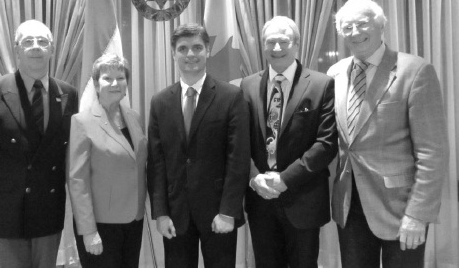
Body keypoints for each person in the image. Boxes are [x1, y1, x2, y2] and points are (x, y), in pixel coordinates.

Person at [328, 0, 447, 268]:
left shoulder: (415, 71)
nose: (355, 32)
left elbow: (433, 152)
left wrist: (418, 213)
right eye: (347, 27)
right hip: (350, 205)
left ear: (381, 26)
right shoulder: (335, 74)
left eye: (362, 24)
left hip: (400, 207)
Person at [0, 20, 78, 268]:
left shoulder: (68, 93)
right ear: (17, 50)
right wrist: (1, 187)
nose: (36, 47)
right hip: (3, 213)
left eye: (42, 41)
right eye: (28, 41)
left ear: (52, 49)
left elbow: (66, 151)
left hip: (48, 212)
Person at [147, 23, 250, 268]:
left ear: (208, 50)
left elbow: (238, 159)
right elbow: (156, 161)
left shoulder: (230, 96)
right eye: (183, 49)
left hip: (218, 213)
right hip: (175, 214)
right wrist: (160, 212)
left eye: (197, 47)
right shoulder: (160, 101)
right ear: (174, 53)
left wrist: (228, 211)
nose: (190, 54)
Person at [240, 16, 338, 267]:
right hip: (260, 199)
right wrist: (253, 178)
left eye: (283, 41)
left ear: (296, 44)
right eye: (270, 42)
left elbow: (326, 143)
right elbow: (240, 142)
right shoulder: (248, 85)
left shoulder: (321, 84)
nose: (276, 48)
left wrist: (285, 179)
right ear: (262, 46)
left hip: (303, 198)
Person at [67, 53, 147, 268]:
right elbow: (77, 181)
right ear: (95, 83)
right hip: (101, 225)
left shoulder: (134, 117)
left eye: (121, 78)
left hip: (134, 220)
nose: (115, 83)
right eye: (107, 78)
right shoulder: (82, 122)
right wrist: (88, 230)